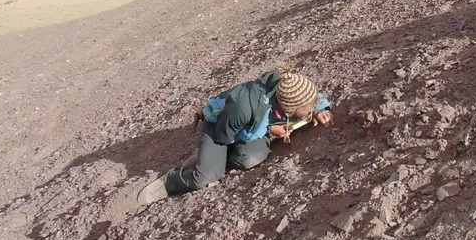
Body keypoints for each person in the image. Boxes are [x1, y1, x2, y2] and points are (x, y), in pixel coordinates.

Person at [137, 68, 333, 205]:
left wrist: (321, 108)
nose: (310, 109)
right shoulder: (244, 107)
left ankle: (211, 160)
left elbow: (310, 94)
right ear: (288, 108)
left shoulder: (290, 88)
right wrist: (270, 130)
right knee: (205, 178)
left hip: (254, 126)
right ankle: (171, 180)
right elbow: (226, 136)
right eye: (308, 108)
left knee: (249, 159)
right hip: (221, 127)